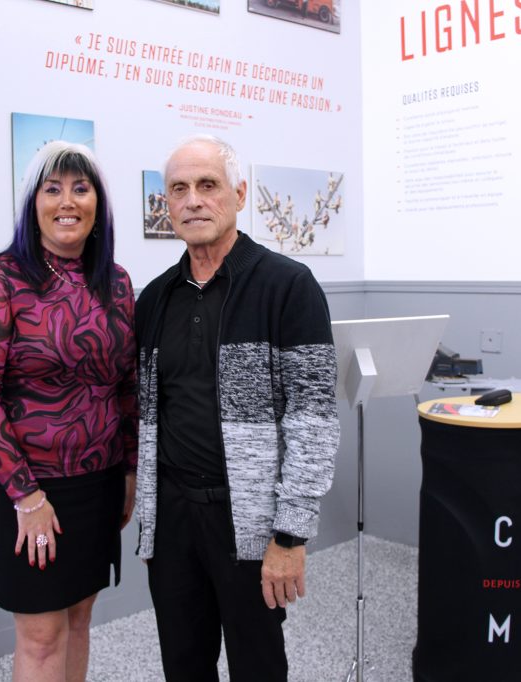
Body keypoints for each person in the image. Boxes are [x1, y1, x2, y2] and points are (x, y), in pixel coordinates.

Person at [134, 134, 339, 681]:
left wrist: (291, 535)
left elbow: (313, 422)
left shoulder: (287, 287)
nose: (193, 200)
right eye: (179, 189)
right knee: (183, 663)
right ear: (166, 203)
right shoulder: (154, 300)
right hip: (174, 519)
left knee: (258, 667)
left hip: (248, 519)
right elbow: (146, 418)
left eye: (208, 185)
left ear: (239, 194)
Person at [0, 141, 137, 682]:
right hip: (26, 487)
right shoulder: (3, 278)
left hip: (98, 482)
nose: (68, 201)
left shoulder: (117, 282)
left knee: (81, 619)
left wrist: (130, 471)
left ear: (98, 204)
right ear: (32, 203)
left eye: (81, 189)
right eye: (53, 188)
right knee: (41, 637)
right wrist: (27, 496)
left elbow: (126, 386)